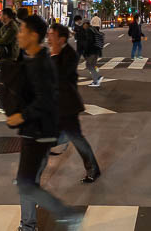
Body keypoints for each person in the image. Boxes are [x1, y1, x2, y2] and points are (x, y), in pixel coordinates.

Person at [7, 15, 84, 230]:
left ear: (33, 35)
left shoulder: (42, 62)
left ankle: (61, 215)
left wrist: (20, 116)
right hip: (34, 130)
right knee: (27, 181)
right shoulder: (32, 57)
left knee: (26, 182)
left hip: (39, 131)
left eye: (22, 30)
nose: (18, 34)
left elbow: (45, 98)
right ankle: (31, 224)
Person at [48, 23, 101, 183]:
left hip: (67, 106)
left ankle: (93, 169)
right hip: (55, 105)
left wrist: (55, 55)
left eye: (52, 35)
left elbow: (60, 78)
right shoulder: (54, 53)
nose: (48, 38)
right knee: (47, 137)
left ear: (61, 38)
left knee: (76, 138)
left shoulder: (68, 54)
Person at [0, 7, 20, 114]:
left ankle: (4, 105)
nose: (0, 16)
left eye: (2, 14)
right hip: (4, 56)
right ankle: (3, 104)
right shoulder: (6, 26)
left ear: (6, 16)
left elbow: (2, 40)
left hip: (9, 57)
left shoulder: (12, 27)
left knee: (4, 83)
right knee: (3, 82)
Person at [84, 17, 104, 87]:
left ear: (86, 24)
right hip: (96, 51)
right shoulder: (94, 30)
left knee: (89, 65)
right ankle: (97, 78)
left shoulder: (88, 31)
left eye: (83, 24)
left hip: (91, 51)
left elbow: (89, 42)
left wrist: (86, 52)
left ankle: (96, 80)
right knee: (92, 65)